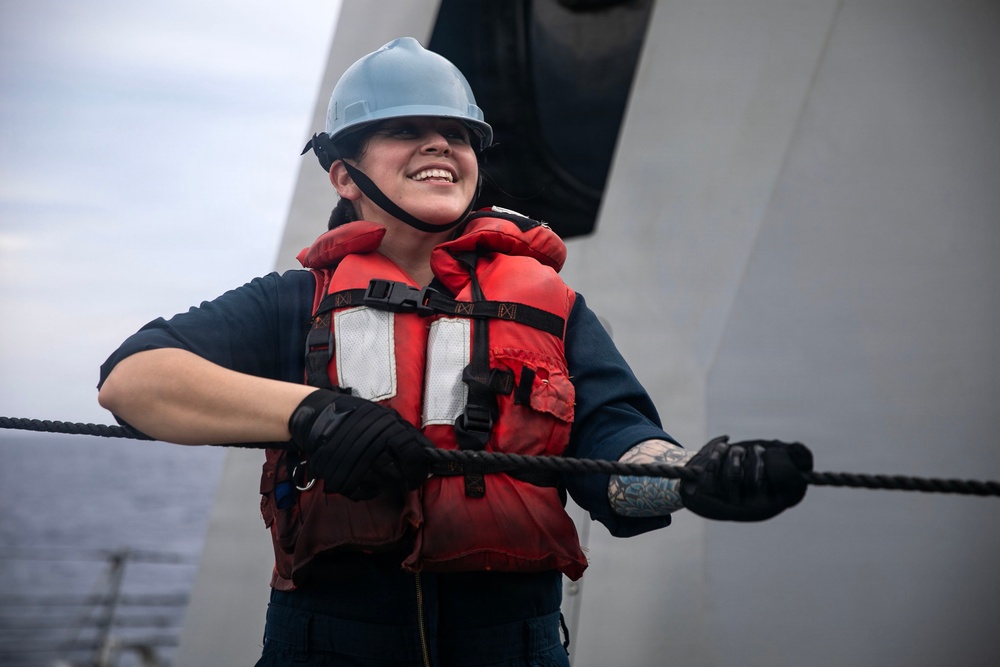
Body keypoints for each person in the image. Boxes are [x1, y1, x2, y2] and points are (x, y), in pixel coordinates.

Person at [97, 37, 812, 667]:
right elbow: (132, 381)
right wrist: (312, 413)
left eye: (458, 135)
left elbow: (618, 451)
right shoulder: (296, 303)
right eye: (407, 129)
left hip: (515, 647)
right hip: (325, 644)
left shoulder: (554, 308)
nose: (441, 145)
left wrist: (697, 476)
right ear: (344, 175)